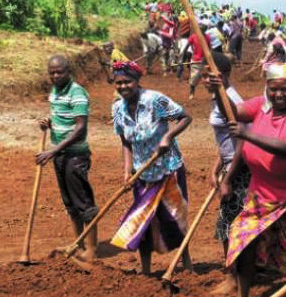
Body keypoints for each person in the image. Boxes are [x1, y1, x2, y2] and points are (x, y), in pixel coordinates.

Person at [219, 63, 286, 297]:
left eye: (285, 90)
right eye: (273, 89)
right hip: (261, 192)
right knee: (244, 240)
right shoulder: (260, 107)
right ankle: (244, 296)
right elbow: (233, 112)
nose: (278, 95)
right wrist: (216, 91)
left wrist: (247, 134)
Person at [109, 61, 194, 275]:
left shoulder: (155, 100)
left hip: (168, 168)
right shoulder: (117, 108)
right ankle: (146, 270)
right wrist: (127, 171)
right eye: (118, 83)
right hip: (143, 174)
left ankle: (186, 263)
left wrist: (168, 136)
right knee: (143, 222)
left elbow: (185, 117)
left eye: (127, 81)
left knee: (175, 217)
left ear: (137, 81)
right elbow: (125, 142)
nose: (123, 86)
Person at [36, 55, 99, 260]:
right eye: (51, 72)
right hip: (60, 154)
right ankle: (77, 243)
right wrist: (49, 122)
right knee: (70, 204)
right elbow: (62, 118)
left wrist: (52, 151)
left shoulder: (77, 92)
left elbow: (80, 129)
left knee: (83, 203)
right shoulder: (55, 92)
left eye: (59, 72)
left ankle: (91, 249)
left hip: (75, 156)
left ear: (68, 71)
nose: (55, 76)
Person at [201, 52, 250, 297]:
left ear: (223, 76)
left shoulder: (229, 100)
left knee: (229, 225)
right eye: (203, 75)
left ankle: (234, 278)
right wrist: (215, 168)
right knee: (228, 224)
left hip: (240, 170)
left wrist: (228, 179)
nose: (204, 80)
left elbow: (242, 143)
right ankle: (235, 274)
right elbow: (226, 142)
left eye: (209, 76)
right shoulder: (218, 98)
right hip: (229, 166)